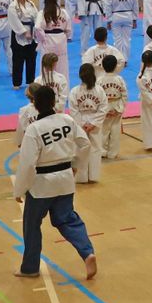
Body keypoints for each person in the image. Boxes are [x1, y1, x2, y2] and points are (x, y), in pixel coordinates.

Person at [13, 83, 99, 282]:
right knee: (67, 219)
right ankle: (87, 253)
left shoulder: (34, 129)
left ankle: (30, 267)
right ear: (54, 102)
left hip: (41, 185)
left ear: (34, 105)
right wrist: (76, 165)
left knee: (32, 225)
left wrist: (19, 189)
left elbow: (27, 164)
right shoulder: (67, 120)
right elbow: (85, 143)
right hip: (65, 179)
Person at [69, 65, 107, 184]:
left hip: (82, 122)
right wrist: (93, 123)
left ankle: (81, 177)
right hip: (94, 122)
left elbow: (73, 110)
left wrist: (82, 124)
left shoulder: (75, 91)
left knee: (80, 149)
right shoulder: (99, 90)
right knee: (95, 148)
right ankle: (93, 176)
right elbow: (103, 108)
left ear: (80, 76)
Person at [34, 0, 73, 80]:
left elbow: (37, 27)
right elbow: (68, 29)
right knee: (62, 67)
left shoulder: (43, 13)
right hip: (61, 40)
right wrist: (63, 37)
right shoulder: (63, 12)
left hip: (48, 41)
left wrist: (43, 39)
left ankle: (46, 88)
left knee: (46, 66)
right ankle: (63, 91)